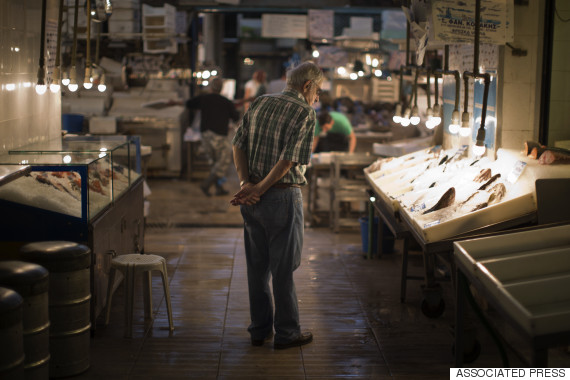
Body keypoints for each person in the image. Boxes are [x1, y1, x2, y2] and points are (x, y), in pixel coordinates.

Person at [230, 61, 323, 349]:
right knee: (284, 270)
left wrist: (247, 184)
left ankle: (259, 330)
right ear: (307, 85)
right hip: (282, 197)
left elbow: (238, 144)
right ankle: (287, 333)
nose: (317, 98)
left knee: (257, 269)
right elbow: (287, 161)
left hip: (252, 200)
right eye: (317, 91)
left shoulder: (260, 102)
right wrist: (260, 187)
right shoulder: (304, 112)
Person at [182, 77, 240, 196]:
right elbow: (235, 117)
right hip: (219, 135)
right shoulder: (226, 101)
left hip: (205, 135)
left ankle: (219, 188)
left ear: (210, 87)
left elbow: (189, 103)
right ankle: (206, 184)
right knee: (224, 161)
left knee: (214, 162)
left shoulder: (204, 99)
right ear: (221, 88)